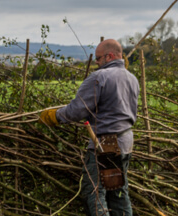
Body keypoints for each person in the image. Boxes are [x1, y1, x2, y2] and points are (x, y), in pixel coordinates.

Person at [39, 39, 139, 216]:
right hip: (126, 141)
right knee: (118, 192)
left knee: (95, 191)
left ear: (109, 56)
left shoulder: (99, 77)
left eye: (99, 58)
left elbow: (77, 110)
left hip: (106, 144)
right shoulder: (132, 78)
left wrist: (54, 116)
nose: (97, 63)